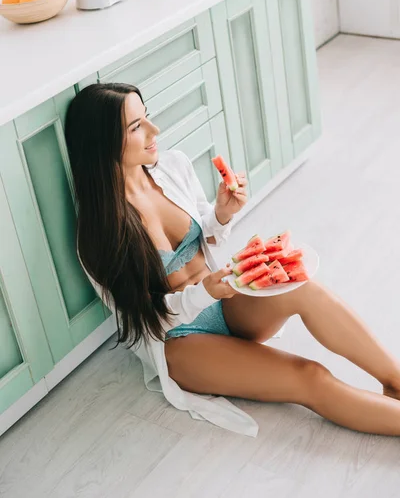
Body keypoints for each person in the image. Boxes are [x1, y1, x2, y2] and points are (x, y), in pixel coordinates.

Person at [65, 82, 400, 438]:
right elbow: (147, 320)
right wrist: (205, 293)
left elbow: (202, 235)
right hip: (181, 341)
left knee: (306, 289)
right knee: (309, 377)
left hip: (222, 301)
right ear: (103, 144)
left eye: (146, 117)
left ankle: (394, 380)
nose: (154, 130)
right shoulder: (100, 234)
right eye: (136, 127)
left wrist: (221, 215)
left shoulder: (172, 167)